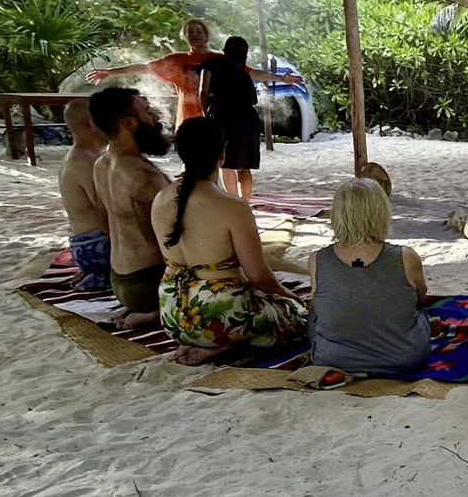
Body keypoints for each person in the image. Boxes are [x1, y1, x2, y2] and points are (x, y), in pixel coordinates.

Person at [151, 117, 306, 365]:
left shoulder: (160, 198)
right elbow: (259, 277)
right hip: (219, 320)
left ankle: (211, 342)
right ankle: (225, 347)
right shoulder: (233, 207)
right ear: (222, 153)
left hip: (173, 316)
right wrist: (286, 295)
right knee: (295, 318)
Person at [309, 178, 435, 375]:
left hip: (333, 360)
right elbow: (421, 297)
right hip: (404, 357)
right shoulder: (406, 257)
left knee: (315, 312)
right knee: (416, 308)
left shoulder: (318, 259)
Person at [87, 18, 301, 127]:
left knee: (215, 162)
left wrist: (282, 78)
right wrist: (110, 72)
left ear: (206, 35)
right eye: (191, 32)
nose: (195, 34)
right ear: (185, 37)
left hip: (217, 116)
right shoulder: (176, 60)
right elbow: (145, 67)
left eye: (199, 31)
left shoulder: (220, 60)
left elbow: (251, 73)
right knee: (190, 164)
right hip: (187, 118)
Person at [89, 87, 171, 328]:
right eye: (147, 112)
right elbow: (176, 233)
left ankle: (141, 306)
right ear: (129, 123)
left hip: (119, 278)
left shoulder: (101, 163)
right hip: (148, 283)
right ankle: (156, 311)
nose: (155, 117)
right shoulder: (142, 174)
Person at [199, 36, 263, 201]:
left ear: (225, 50)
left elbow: (203, 91)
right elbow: (253, 100)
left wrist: (204, 114)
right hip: (248, 120)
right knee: (244, 166)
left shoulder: (211, 64)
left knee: (225, 163)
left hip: (224, 116)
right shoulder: (243, 74)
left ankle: (232, 202)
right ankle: (245, 204)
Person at [59, 98, 110, 291]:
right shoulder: (85, 161)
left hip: (86, 248)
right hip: (96, 249)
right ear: (89, 124)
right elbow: (106, 214)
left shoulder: (82, 155)